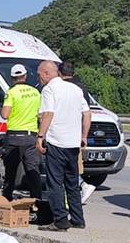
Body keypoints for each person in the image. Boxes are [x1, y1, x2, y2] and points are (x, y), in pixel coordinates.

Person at [36, 60, 90, 231]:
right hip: (73, 144)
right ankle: (78, 218)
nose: (39, 78)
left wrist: (40, 136)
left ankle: (60, 220)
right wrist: (83, 136)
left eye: (39, 74)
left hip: (56, 141)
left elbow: (48, 114)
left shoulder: (49, 89)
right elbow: (87, 114)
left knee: (55, 183)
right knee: (72, 183)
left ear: (46, 73)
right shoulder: (75, 89)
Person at [0, 63, 42, 201]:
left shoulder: (11, 92)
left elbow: (5, 114)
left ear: (12, 78)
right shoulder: (36, 93)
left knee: (10, 171)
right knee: (32, 171)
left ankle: (7, 200)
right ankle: (37, 201)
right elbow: (41, 114)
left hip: (13, 137)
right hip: (30, 136)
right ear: (25, 76)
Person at [60, 62, 98, 204]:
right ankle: (78, 190)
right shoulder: (82, 87)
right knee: (73, 165)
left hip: (67, 132)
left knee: (68, 167)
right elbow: (87, 113)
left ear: (59, 73)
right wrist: (84, 135)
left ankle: (80, 188)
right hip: (77, 132)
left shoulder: (66, 88)